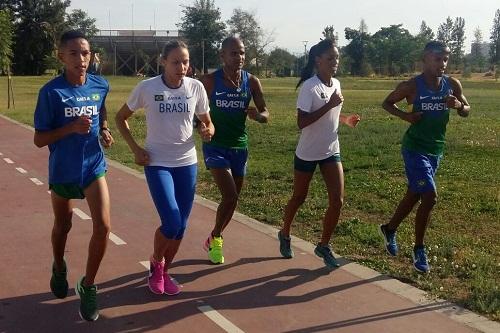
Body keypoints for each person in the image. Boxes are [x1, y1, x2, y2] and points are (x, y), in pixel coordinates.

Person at [115, 41, 214, 295]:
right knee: (170, 220)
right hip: (157, 162)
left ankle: (164, 271)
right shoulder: (147, 87)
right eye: (175, 62)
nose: (182, 67)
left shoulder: (196, 87)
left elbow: (207, 122)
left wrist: (207, 130)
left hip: (187, 162)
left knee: (181, 225)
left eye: (186, 61)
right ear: (163, 62)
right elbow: (120, 117)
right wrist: (136, 149)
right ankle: (156, 262)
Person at [33, 30, 114, 321]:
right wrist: (70, 128)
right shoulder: (51, 92)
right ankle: (58, 264)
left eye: (86, 53)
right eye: (74, 53)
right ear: (61, 56)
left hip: (93, 166)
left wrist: (103, 129)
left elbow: (100, 109)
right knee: (63, 225)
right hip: (63, 170)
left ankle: (89, 285)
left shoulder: (100, 84)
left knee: (103, 226)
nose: (81, 59)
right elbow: (39, 139)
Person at [379, 41, 470, 273]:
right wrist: (406, 117)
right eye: (438, 59)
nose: (443, 64)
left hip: (435, 150)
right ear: (426, 59)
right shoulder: (412, 86)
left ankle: (389, 229)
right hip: (414, 148)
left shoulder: (452, 84)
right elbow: (387, 103)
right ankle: (419, 249)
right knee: (429, 196)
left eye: (446, 59)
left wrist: (458, 105)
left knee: (414, 195)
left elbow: (467, 110)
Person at [278, 38, 360, 269]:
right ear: (318, 60)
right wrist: (330, 104)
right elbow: (302, 122)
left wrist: (346, 120)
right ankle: (284, 233)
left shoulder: (337, 84)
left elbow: (331, 115)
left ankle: (323, 244)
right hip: (307, 152)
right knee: (299, 197)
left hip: (331, 150)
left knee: (338, 200)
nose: (335, 62)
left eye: (337, 58)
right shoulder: (309, 86)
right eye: (331, 58)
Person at [200, 36, 269, 264]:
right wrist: (202, 126)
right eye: (233, 53)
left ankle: (214, 234)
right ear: (222, 56)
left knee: (233, 199)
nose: (239, 57)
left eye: (241, 53)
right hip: (215, 145)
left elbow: (265, 113)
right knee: (229, 195)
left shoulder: (252, 81)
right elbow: (194, 112)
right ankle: (217, 240)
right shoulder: (210, 81)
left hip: (240, 146)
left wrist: (258, 116)